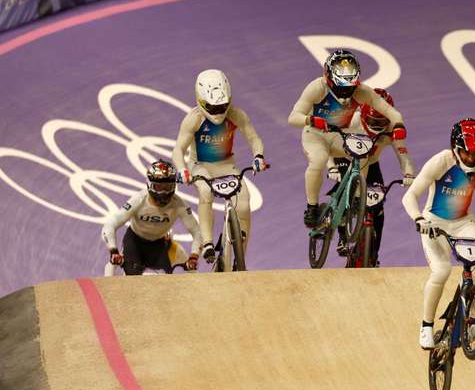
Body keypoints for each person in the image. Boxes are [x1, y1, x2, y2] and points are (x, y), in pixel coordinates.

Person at [401, 118, 475, 349]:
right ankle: (426, 326)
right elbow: (409, 196)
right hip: (434, 223)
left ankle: (473, 317)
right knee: (442, 271)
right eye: (468, 153)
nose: (473, 158)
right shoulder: (441, 162)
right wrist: (419, 219)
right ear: (456, 148)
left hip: (464, 223)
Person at [287, 49, 407, 228]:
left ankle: (357, 198)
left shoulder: (361, 91)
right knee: (318, 160)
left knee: (363, 152)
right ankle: (311, 207)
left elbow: (390, 111)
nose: (345, 93)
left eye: (349, 88)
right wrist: (310, 120)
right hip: (314, 135)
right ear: (328, 77)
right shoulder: (316, 88)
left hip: (339, 135)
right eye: (341, 87)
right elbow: (293, 118)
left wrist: (398, 125)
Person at [172, 69, 267, 263]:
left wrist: (258, 156)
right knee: (205, 192)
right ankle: (207, 242)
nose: (218, 113)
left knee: (244, 203)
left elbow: (254, 138)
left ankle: (241, 258)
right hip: (200, 166)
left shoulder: (236, 114)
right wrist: (183, 170)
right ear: (200, 101)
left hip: (226, 165)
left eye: (222, 106)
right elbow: (178, 150)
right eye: (212, 108)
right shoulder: (194, 119)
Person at [326, 87, 415, 262]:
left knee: (378, 208)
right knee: (349, 191)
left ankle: (373, 255)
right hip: (344, 156)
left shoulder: (392, 127)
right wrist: (331, 167)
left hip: (371, 162)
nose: (376, 127)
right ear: (364, 113)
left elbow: (403, 154)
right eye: (373, 121)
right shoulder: (350, 119)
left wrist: (409, 173)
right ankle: (343, 234)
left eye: (381, 123)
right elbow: (326, 141)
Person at [102, 160, 201, 275]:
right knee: (131, 277)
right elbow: (111, 224)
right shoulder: (138, 200)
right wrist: (113, 250)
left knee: (168, 278)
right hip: (134, 242)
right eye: (159, 187)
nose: (163, 192)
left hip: (159, 244)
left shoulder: (179, 204)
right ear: (149, 185)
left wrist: (194, 257)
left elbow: (197, 232)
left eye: (168, 187)